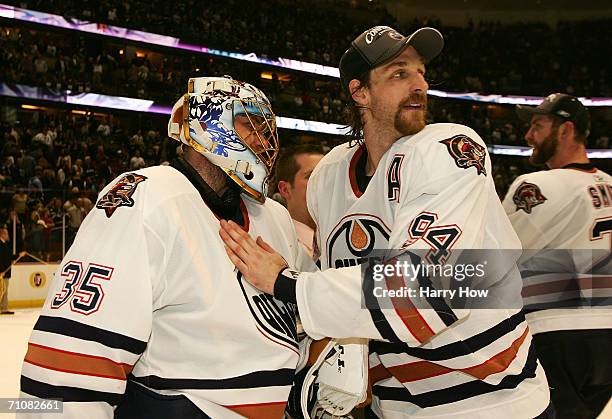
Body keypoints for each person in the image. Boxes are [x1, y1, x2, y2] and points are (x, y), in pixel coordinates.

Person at [219, 26, 551, 418]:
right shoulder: (329, 174)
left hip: (492, 402)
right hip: (393, 407)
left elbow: (425, 290)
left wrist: (285, 282)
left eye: (421, 72)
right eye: (399, 73)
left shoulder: (450, 149)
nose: (420, 85)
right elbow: (346, 293)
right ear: (360, 92)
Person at [20, 76, 316, 418]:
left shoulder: (274, 216)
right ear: (208, 123)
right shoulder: (146, 197)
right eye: (248, 124)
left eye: (265, 130)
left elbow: (310, 311)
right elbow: (70, 363)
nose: (262, 140)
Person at [503, 93, 612, 419]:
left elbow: (499, 260)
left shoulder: (534, 186)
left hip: (557, 332)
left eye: (537, 126)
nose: (528, 136)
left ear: (565, 130)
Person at [275, 145, 325, 258]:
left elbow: (372, 275)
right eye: (312, 176)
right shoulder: (273, 242)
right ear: (285, 189)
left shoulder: (344, 236)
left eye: (327, 176)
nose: (325, 183)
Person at [0, 225, 15, 315]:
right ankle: (3, 307)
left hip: (5, 272)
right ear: (2, 234)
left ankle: (4, 307)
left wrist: (18, 255)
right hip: (2, 272)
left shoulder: (5, 244)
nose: (8, 235)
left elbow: (8, 257)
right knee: (2, 290)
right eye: (6, 233)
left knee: (4, 291)